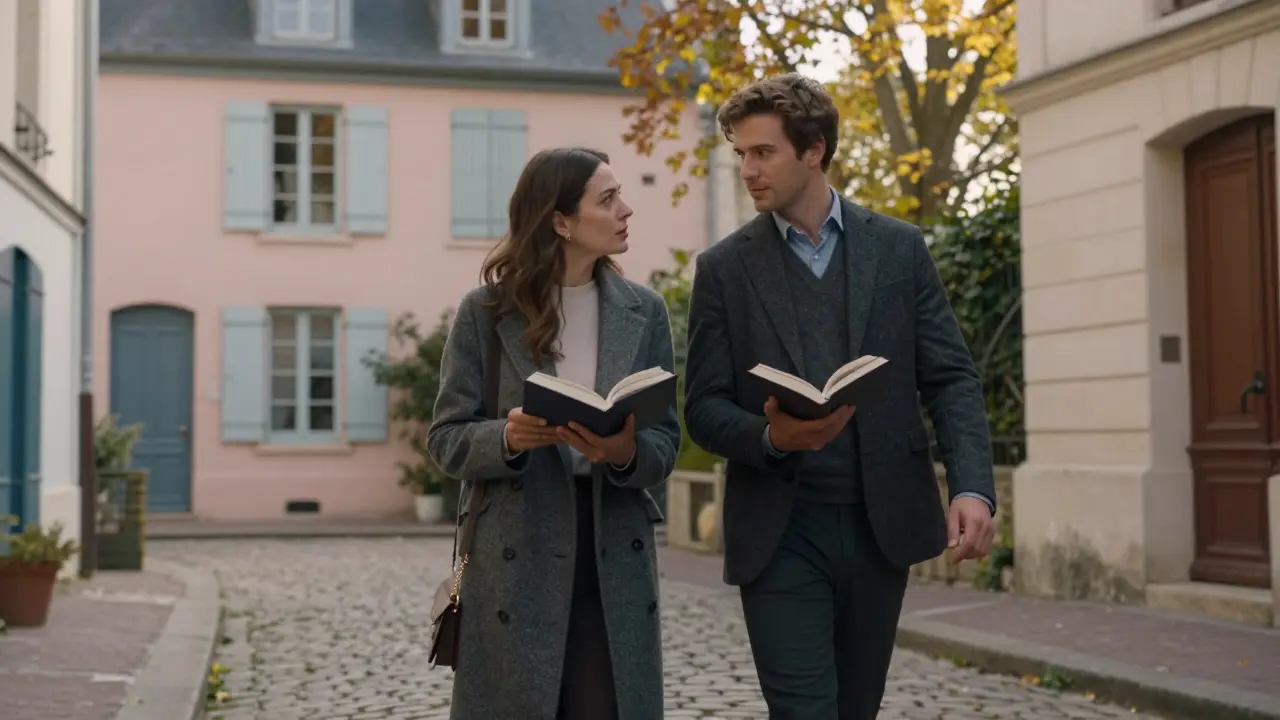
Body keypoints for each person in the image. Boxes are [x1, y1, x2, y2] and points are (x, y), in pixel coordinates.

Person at [682, 73, 998, 719]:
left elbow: (949, 376)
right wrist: (770, 437)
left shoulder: (900, 248)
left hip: (882, 524)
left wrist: (971, 487)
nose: (747, 169)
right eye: (740, 153)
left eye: (762, 152)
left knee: (856, 708)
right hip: (780, 530)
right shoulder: (723, 269)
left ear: (814, 150)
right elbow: (704, 408)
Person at [426, 147, 680, 720]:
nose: (626, 210)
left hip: (611, 545)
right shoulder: (486, 313)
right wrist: (509, 439)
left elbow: (666, 441)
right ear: (560, 222)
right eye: (608, 199)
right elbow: (446, 439)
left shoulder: (646, 311)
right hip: (517, 548)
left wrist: (624, 452)